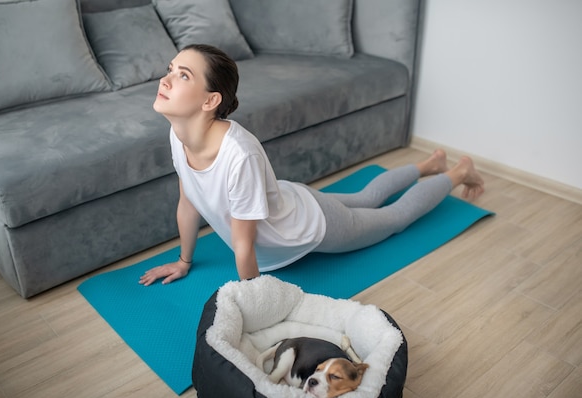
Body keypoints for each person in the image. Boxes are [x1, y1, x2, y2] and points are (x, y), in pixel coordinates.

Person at [139, 44, 484, 286]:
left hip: (313, 226)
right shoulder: (178, 134)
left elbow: (245, 245)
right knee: (365, 197)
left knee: (394, 219)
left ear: (210, 100)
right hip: (293, 201)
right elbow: (188, 203)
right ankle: (429, 164)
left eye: (183, 75)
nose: (165, 79)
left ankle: (457, 172)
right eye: (171, 70)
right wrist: (184, 263)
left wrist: (256, 309)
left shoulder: (238, 154)